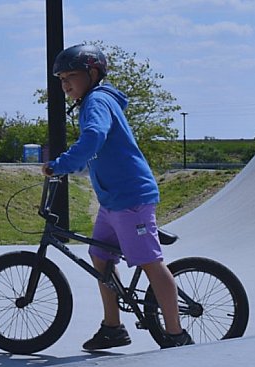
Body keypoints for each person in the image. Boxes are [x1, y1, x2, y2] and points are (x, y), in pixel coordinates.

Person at [43, 44, 194, 349]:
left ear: (93, 73)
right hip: (113, 200)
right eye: (61, 79)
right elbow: (98, 149)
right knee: (100, 257)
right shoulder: (92, 101)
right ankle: (112, 327)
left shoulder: (97, 101)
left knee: (151, 263)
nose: (66, 84)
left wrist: (61, 164)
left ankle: (176, 334)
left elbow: (94, 137)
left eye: (72, 76)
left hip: (130, 198)